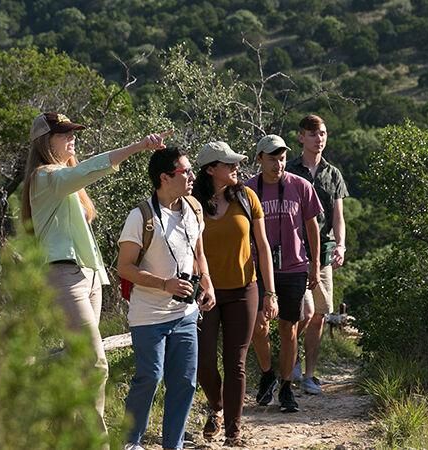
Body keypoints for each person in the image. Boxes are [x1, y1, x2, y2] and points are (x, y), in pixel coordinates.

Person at [21, 112, 167, 444]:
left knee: (81, 363)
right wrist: (139, 146)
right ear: (46, 141)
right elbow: (89, 170)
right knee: (95, 362)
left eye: (73, 132)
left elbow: (81, 174)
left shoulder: (63, 178)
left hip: (87, 276)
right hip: (63, 275)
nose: (72, 138)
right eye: (64, 134)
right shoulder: (45, 176)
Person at [117, 147, 216, 450]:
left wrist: (208, 283)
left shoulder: (194, 208)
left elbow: (198, 254)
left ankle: (172, 445)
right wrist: (165, 284)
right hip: (148, 315)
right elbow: (124, 267)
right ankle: (130, 442)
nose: (191, 176)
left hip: (185, 315)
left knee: (185, 382)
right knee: (150, 376)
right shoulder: (141, 216)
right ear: (164, 177)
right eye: (185, 171)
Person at [193, 142, 277, 446]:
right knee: (203, 362)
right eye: (228, 164)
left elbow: (263, 247)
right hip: (205, 293)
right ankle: (216, 407)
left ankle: (233, 431)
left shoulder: (247, 197)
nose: (235, 168)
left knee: (236, 362)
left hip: (245, 290)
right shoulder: (191, 204)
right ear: (210, 169)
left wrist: (270, 293)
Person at [246, 134, 322, 413]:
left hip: (293, 267)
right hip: (258, 268)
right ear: (259, 159)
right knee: (258, 325)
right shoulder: (248, 190)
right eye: (272, 158)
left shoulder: (300, 186)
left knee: (289, 327)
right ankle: (267, 373)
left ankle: (287, 386)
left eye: (282, 158)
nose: (278, 164)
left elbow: (312, 226)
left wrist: (314, 264)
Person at [286, 114, 349, 395]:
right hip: (295, 252)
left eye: (322, 133)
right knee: (302, 311)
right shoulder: (288, 170)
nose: (318, 138)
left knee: (320, 314)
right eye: (312, 134)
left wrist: (340, 245)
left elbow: (338, 216)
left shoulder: (333, 173)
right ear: (301, 137)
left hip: (323, 251)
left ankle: (310, 375)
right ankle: (290, 361)